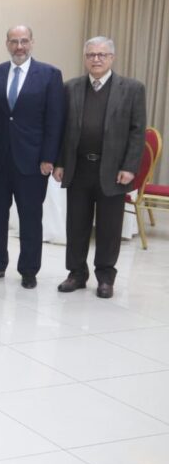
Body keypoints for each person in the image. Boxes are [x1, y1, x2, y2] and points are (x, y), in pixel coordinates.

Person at [54, 37, 146, 299]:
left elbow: (137, 131)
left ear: (112, 58)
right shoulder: (70, 87)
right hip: (79, 168)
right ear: (85, 58)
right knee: (76, 225)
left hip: (113, 171)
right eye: (91, 54)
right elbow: (62, 130)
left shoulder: (132, 89)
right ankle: (76, 273)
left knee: (109, 227)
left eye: (102, 55)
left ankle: (105, 277)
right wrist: (60, 162)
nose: (96, 59)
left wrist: (130, 167)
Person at [0, 25, 64, 289]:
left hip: (33, 162)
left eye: (24, 41)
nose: (19, 46)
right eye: (14, 41)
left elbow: (54, 120)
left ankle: (29, 270)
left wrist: (49, 157)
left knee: (30, 218)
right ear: (7, 44)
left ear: (32, 42)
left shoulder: (50, 75)